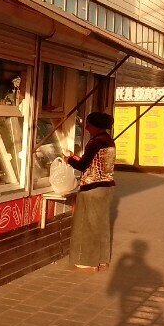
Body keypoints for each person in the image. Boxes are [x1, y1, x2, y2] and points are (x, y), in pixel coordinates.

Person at [67, 111, 116, 271]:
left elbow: (82, 165)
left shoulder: (95, 142)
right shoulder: (109, 140)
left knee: (86, 225)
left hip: (92, 188)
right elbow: (96, 161)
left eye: (88, 124)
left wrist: (69, 159)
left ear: (96, 126)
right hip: (107, 187)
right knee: (101, 225)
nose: (86, 127)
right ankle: (102, 260)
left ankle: (87, 262)